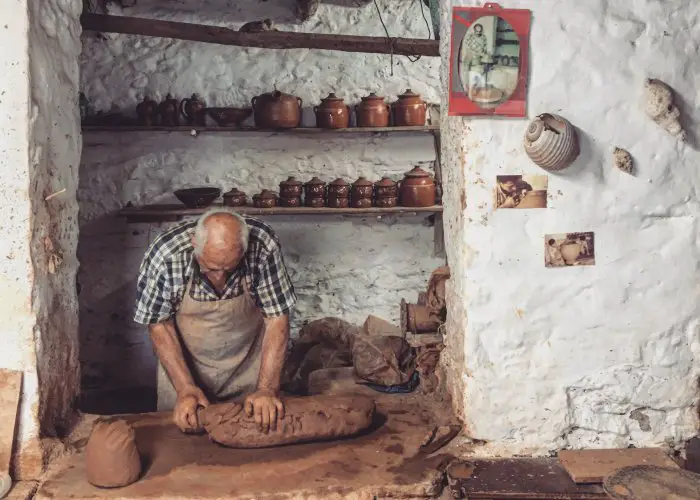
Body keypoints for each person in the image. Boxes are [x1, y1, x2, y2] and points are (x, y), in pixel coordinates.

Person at [134, 208, 297, 435]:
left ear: (244, 249)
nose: (220, 277)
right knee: (180, 444)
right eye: (211, 268)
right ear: (194, 243)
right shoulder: (166, 255)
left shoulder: (262, 245)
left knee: (253, 439)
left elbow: (277, 317)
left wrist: (266, 389)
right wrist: (185, 388)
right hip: (187, 369)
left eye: (229, 268)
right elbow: (159, 324)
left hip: (246, 369)